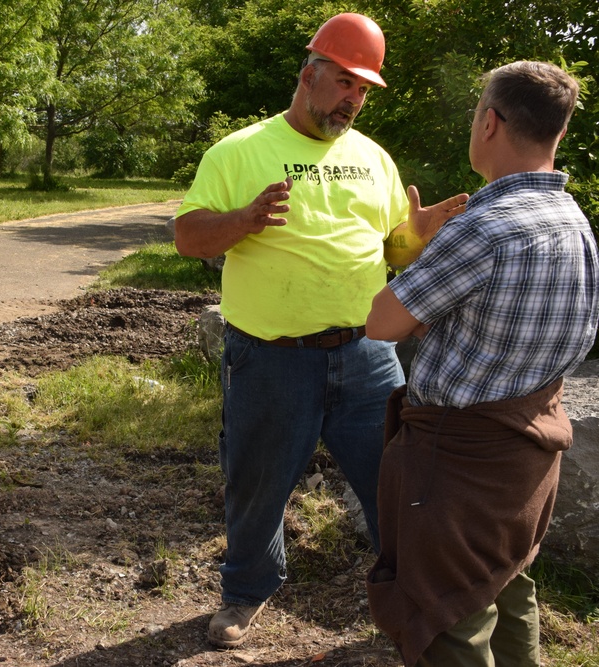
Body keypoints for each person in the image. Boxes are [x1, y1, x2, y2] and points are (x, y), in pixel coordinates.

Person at [173, 13, 469, 649]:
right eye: (344, 82)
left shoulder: (373, 159)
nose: (354, 99)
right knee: (255, 485)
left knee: (394, 484)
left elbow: (392, 253)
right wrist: (245, 220)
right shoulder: (239, 150)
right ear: (309, 75)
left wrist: (417, 238)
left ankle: (409, 599)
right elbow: (187, 237)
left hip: (368, 355)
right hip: (271, 359)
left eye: (363, 89)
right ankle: (245, 593)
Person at [365, 61, 597, 666]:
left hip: (459, 464)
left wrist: (413, 250)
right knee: (508, 581)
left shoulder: (485, 227)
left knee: (448, 616)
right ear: (559, 134)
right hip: (531, 450)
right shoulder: (576, 224)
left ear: (489, 123)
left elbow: (382, 323)